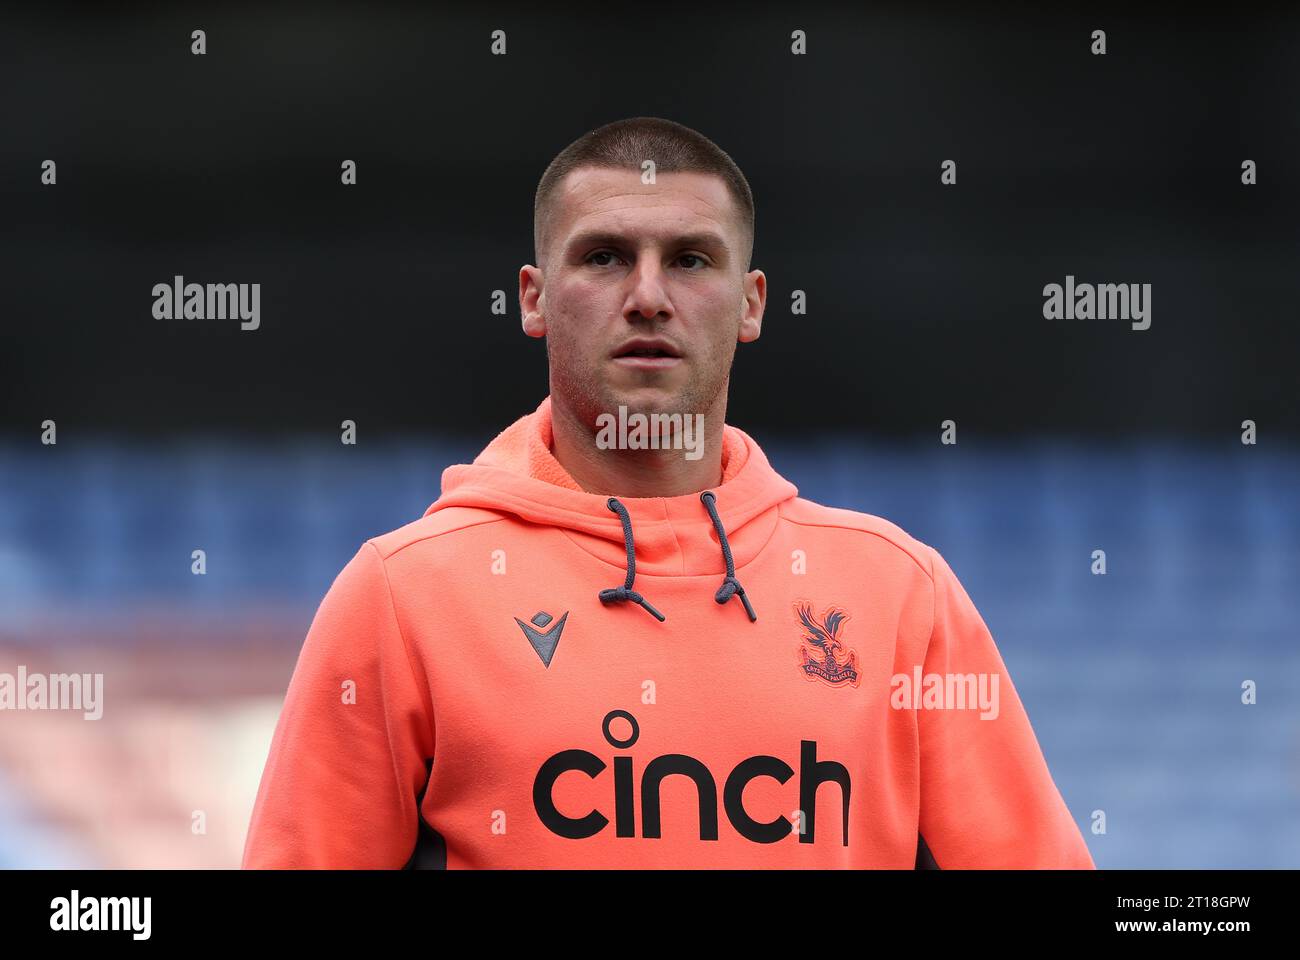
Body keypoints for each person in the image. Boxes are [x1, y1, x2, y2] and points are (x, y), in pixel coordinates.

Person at [242, 116, 1094, 869]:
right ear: (534, 299)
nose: (648, 297)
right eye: (605, 256)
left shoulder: (903, 597)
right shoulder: (402, 599)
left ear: (750, 304)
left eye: (690, 259)